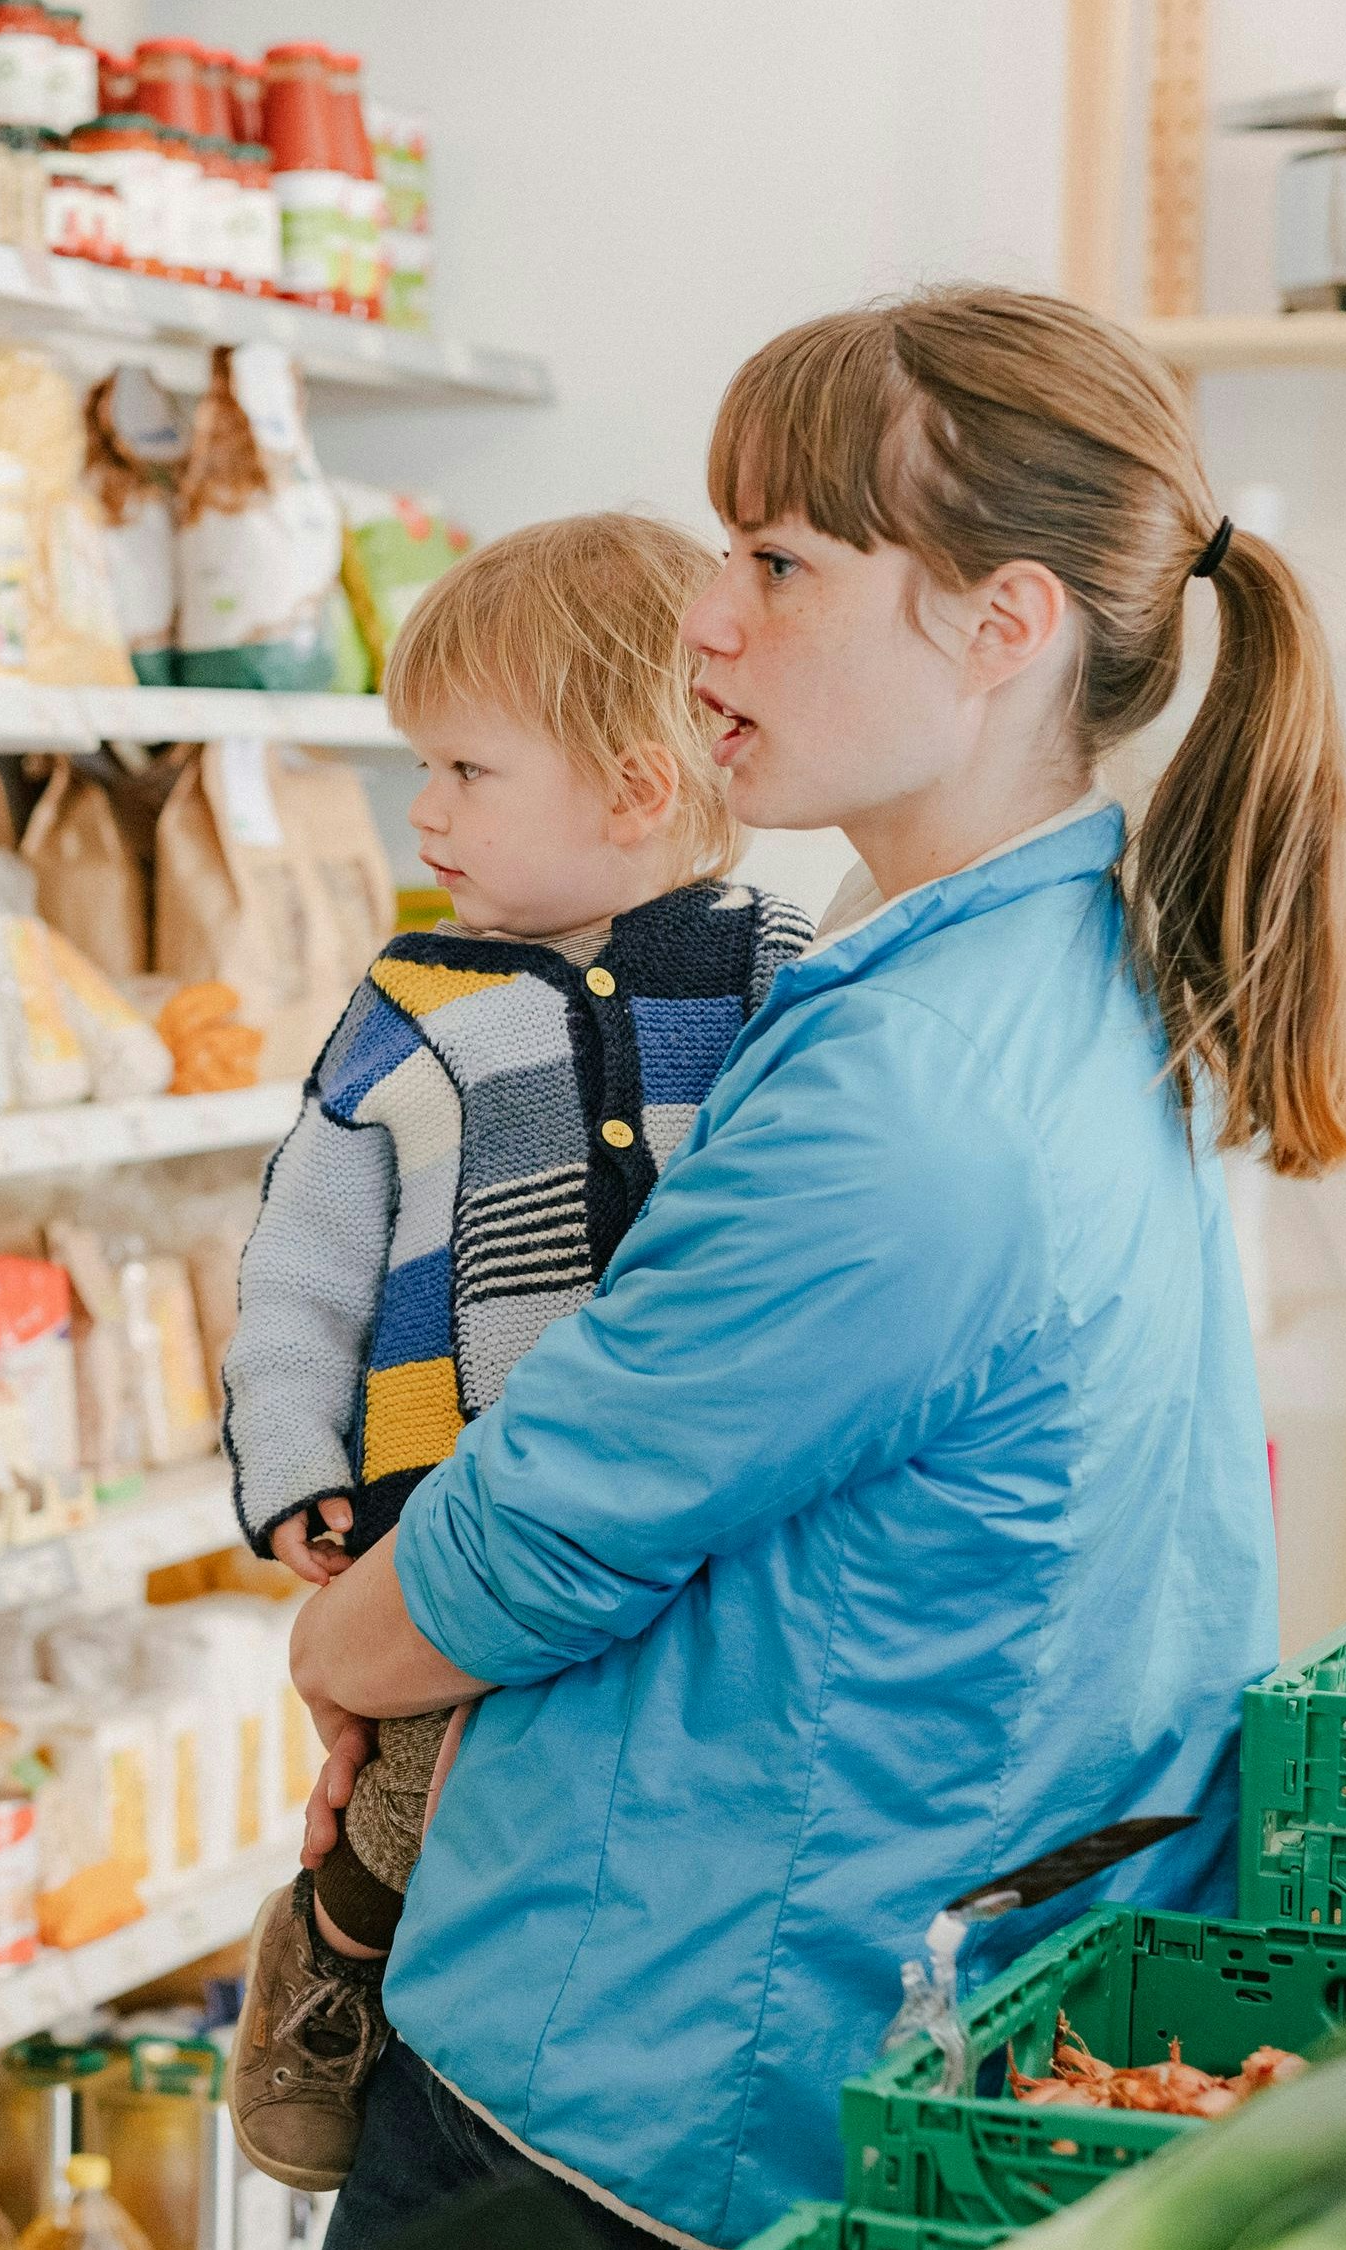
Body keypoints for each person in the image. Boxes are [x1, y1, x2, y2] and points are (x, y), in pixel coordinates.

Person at [286, 285, 1346, 2248]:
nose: (706, 617)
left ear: (1001, 626)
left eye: (778, 562)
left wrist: (335, 1661)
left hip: (667, 2072)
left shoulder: (915, 1089)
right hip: (865, 1967)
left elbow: (545, 1531)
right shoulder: (1056, 945)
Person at [216, 511, 811, 2192]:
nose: (425, 812)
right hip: (448, 1500)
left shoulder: (777, 973)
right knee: (418, 1778)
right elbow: (302, 1264)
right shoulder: (409, 1004)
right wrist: (293, 1464)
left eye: (467, 770)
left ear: (634, 788)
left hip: (679, 1519)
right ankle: (339, 1956)